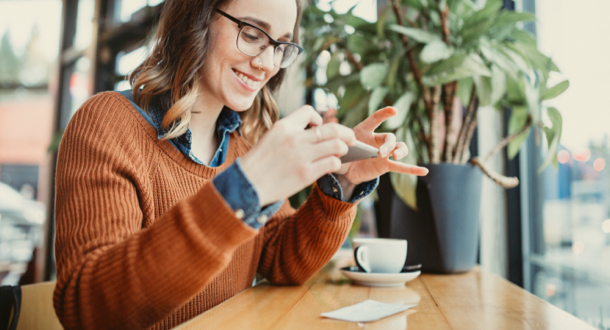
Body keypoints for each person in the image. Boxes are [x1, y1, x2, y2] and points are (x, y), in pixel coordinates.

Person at [52, 0, 428, 329]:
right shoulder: (108, 123)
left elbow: (283, 260)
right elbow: (89, 310)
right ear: (195, 20)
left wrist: (341, 187)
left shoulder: (241, 149)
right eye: (251, 34)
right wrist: (244, 188)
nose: (267, 64)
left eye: (280, 45)